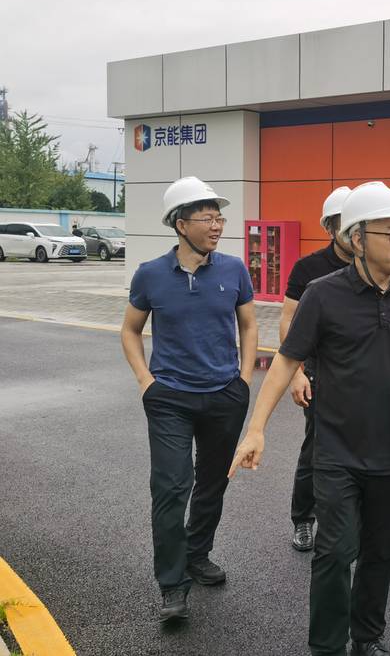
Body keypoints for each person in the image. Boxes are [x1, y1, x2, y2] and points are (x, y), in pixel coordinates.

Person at [229, 181, 390, 656]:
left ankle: (366, 638)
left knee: (381, 553)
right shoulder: (323, 294)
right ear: (357, 238)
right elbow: (286, 361)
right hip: (337, 452)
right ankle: (327, 647)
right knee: (334, 553)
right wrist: (256, 429)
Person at [120, 176, 258, 623]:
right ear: (180, 224)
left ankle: (198, 554)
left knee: (212, 482)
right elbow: (130, 330)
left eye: (220, 218)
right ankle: (172, 584)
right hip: (170, 399)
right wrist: (146, 381)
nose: (217, 225)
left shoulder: (234, 269)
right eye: (207, 218)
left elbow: (249, 325)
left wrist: (243, 380)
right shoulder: (150, 274)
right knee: (170, 487)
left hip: (224, 395)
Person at [279, 186, 390, 573]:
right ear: (331, 228)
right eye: (341, 223)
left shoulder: (382, 266)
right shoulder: (309, 269)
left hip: (370, 380)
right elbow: (288, 320)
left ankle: (376, 543)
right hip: (323, 375)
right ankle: (303, 519)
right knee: (318, 450)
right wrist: (297, 373)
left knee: (378, 459)